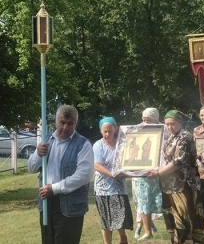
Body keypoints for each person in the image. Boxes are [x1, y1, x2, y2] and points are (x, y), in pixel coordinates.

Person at [27, 105, 94, 244]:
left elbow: (84, 175)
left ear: (75, 123)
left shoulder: (83, 144)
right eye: (62, 122)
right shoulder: (46, 140)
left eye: (70, 123)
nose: (65, 127)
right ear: (56, 122)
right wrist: (38, 154)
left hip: (70, 206)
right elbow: (31, 167)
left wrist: (55, 188)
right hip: (46, 203)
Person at [147, 110, 204, 244]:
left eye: (172, 124)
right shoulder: (170, 138)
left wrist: (158, 173)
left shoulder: (185, 137)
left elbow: (178, 161)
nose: (169, 127)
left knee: (185, 217)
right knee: (173, 218)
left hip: (184, 185)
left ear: (180, 122)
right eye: (167, 124)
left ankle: (185, 241)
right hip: (169, 185)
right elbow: (163, 160)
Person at [93, 117, 133, 244]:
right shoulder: (98, 145)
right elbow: (97, 165)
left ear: (115, 129)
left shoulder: (122, 143)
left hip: (119, 188)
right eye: (105, 131)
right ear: (100, 131)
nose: (107, 134)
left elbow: (129, 162)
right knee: (106, 220)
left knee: (121, 216)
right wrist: (112, 174)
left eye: (110, 131)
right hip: (103, 189)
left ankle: (122, 237)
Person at [132, 108, 163, 240]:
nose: (145, 123)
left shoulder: (164, 131)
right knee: (143, 202)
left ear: (156, 120)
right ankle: (147, 231)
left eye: (149, 120)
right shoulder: (136, 130)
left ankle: (172, 228)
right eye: (144, 120)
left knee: (162, 202)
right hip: (141, 173)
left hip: (159, 173)